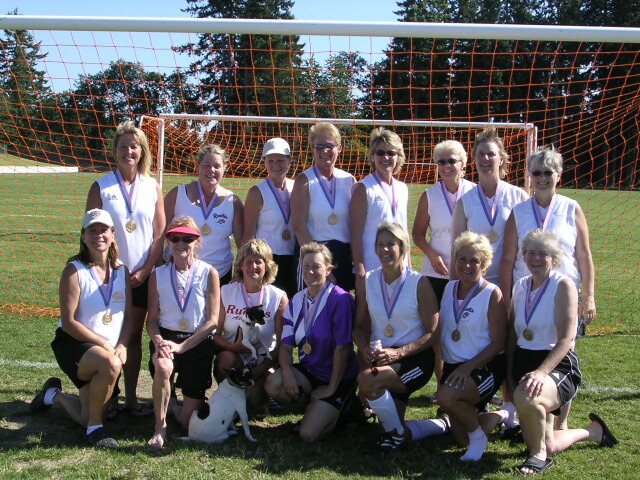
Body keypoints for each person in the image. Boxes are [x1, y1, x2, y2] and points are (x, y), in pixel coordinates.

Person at [500, 147, 597, 431]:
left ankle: (561, 423)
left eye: (547, 172)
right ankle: (520, 412)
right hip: (527, 293)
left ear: (558, 175)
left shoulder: (571, 207)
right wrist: (507, 299)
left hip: (563, 294)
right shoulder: (518, 211)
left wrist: (589, 295)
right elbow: (508, 258)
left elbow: (584, 255)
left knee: (563, 350)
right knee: (525, 349)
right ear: (529, 177)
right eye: (536, 172)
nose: (542, 177)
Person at [509, 229, 617, 474]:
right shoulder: (519, 286)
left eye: (543, 254)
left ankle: (539, 459)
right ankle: (592, 432)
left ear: (554, 259)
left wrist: (541, 372)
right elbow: (512, 335)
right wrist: (509, 374)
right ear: (524, 256)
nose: (536, 259)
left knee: (527, 399)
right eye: (531, 253)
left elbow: (567, 338)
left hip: (556, 365)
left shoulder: (563, 285)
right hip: (525, 363)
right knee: (548, 444)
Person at [30, 209, 133, 448]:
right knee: (111, 364)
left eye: (104, 230)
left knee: (86, 415)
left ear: (113, 234)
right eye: (92, 230)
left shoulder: (121, 271)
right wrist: (107, 346)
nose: (99, 235)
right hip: (74, 343)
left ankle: (53, 396)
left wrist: (122, 345)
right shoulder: (74, 270)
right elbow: (69, 323)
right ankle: (96, 432)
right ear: (83, 236)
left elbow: (128, 317)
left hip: (107, 350)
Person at [86, 120, 165, 416]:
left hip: (144, 274)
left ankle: (131, 400)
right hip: (110, 275)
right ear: (115, 151)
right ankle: (108, 398)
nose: (128, 151)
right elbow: (91, 234)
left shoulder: (152, 186)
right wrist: (106, 269)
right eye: (123, 147)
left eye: (134, 146)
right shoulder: (102, 187)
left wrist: (145, 270)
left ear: (142, 151)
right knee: (107, 335)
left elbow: (160, 233)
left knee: (133, 336)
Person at [353, 222, 439, 450]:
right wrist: (364, 348)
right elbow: (358, 327)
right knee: (389, 425)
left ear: (403, 247)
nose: (384, 250)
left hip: (415, 359)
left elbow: (434, 333)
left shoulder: (419, 283)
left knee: (367, 380)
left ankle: (398, 431)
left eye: (390, 244)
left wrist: (399, 352)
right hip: (383, 360)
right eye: (380, 244)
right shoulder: (368, 281)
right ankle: (440, 425)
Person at [264, 242, 359, 443]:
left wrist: (332, 387)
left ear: (328, 270)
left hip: (339, 378)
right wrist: (288, 373)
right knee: (274, 383)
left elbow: (343, 348)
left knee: (308, 434)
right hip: (311, 374)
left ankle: (348, 406)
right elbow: (287, 345)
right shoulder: (297, 300)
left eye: (316, 266)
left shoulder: (340, 299)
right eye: (306, 266)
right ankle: (318, 410)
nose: (310, 271)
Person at [429, 232, 507, 461]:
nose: (467, 265)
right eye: (462, 259)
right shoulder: (448, 289)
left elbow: (499, 342)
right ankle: (501, 415)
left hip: (485, 366)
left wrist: (468, 367)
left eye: (474, 260)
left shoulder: (493, 294)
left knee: (445, 397)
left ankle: (479, 437)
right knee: (460, 439)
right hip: (455, 367)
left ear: (484, 264)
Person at [146, 217, 220, 449]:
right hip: (167, 338)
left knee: (189, 422)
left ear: (197, 242)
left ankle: (172, 406)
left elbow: (212, 322)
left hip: (197, 341)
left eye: (187, 239)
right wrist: (159, 341)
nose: (181, 243)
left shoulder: (209, 273)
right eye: (175, 238)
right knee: (164, 367)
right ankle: (160, 427)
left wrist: (183, 346)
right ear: (168, 242)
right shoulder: (157, 274)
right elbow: (152, 320)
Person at [214, 238, 288, 413]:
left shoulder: (278, 297)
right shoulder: (226, 292)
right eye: (248, 262)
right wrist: (235, 347)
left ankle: (260, 401)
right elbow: (215, 336)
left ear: (267, 266)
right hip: (234, 358)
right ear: (240, 265)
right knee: (224, 359)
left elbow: (283, 343)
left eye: (258, 262)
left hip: (263, 360)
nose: (252, 267)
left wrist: (262, 368)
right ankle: (228, 398)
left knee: (253, 401)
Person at [451, 128, 528, 287]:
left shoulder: (518, 196)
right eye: (480, 154)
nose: (485, 158)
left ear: (501, 159)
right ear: (474, 159)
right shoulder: (464, 202)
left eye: (491, 154)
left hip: (512, 283)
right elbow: (456, 250)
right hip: (475, 284)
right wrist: (452, 289)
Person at [164, 144, 243, 286]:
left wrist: (239, 272)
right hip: (179, 273)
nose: (211, 170)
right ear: (198, 166)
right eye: (206, 165)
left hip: (220, 274)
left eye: (217, 166)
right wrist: (158, 264)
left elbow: (242, 244)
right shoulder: (177, 194)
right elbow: (159, 234)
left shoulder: (233, 201)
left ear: (224, 168)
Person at [291, 122, 356, 292]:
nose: (324, 151)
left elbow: (356, 224)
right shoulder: (304, 180)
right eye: (318, 146)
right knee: (311, 311)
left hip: (343, 257)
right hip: (312, 255)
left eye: (329, 145)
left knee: (341, 309)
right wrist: (318, 264)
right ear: (312, 150)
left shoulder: (349, 180)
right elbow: (299, 225)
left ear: (339, 148)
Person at [413, 140, 475, 304]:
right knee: (436, 322)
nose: (446, 166)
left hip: (469, 270)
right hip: (436, 271)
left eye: (451, 161)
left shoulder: (475, 192)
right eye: (441, 162)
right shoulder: (429, 196)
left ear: (462, 164)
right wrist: (433, 256)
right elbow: (417, 234)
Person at [350, 127, 409, 296]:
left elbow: (404, 232)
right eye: (380, 153)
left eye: (391, 153)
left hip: (400, 268)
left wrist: (409, 265)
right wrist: (360, 268)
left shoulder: (403, 188)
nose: (386, 157)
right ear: (373, 156)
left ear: (398, 156)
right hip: (372, 267)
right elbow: (355, 234)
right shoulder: (363, 188)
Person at [243, 138, 296, 297]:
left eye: (280, 160)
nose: (275, 165)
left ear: (289, 160)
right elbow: (248, 234)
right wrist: (242, 269)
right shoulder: (256, 192)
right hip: (267, 261)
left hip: (294, 259)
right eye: (270, 161)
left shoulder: (297, 187)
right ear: (264, 161)